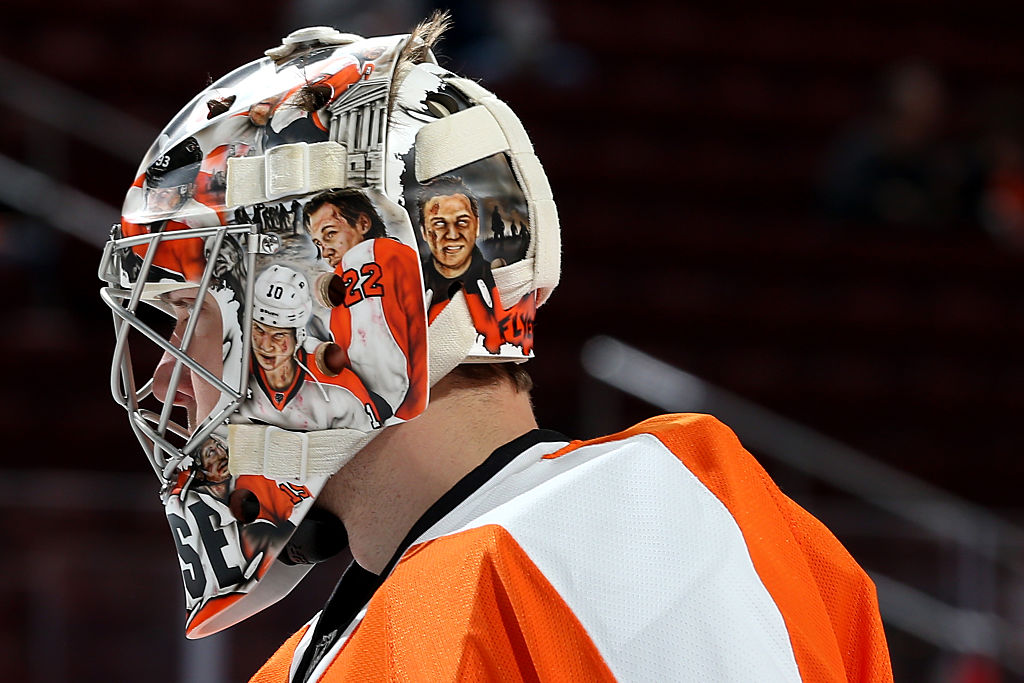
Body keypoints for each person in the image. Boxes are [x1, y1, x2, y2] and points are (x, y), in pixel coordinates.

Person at [99, 15, 893, 681]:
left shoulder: (616, 540)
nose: (170, 375)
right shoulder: (329, 642)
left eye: (184, 314)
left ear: (329, 296)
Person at [304, 188, 428, 421]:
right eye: (318, 244)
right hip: (408, 409)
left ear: (362, 224)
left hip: (390, 413)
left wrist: (371, 410)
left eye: (330, 234)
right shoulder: (398, 254)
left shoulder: (366, 258)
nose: (325, 251)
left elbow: (378, 357)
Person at [238, 264, 387, 431]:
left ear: (299, 337)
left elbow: (372, 444)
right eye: (259, 330)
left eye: (278, 335)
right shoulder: (234, 366)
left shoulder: (340, 388)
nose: (265, 346)